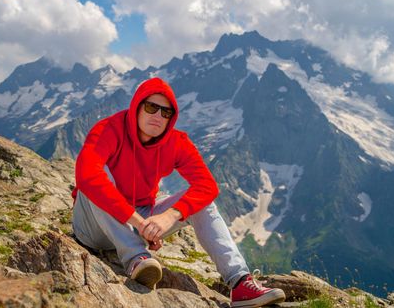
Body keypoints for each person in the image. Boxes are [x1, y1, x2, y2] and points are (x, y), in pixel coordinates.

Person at [71, 78, 286, 307]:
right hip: (92, 228)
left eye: (166, 112)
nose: (158, 116)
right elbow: (87, 174)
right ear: (136, 106)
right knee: (93, 184)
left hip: (140, 220)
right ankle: (137, 260)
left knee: (201, 201)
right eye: (151, 107)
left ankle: (240, 282)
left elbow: (207, 186)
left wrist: (169, 216)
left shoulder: (176, 142)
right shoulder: (108, 129)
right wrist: (138, 221)